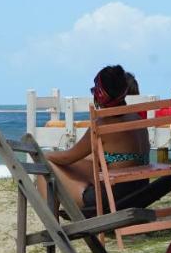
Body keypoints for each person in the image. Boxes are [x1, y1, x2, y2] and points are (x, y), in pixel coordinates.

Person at [44, 65, 150, 209]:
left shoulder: (102, 124)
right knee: (86, 161)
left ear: (100, 94)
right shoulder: (137, 119)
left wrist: (43, 156)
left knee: (46, 166)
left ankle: (53, 228)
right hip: (139, 193)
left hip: (111, 200)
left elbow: (66, 158)